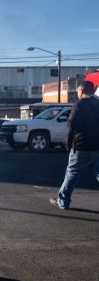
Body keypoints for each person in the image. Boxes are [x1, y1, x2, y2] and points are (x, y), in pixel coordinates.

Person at [50, 80, 99, 209]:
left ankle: (63, 201)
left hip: (81, 145)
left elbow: (72, 124)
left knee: (72, 171)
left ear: (81, 91)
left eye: (78, 91)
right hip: (97, 146)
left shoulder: (80, 104)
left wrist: (69, 120)